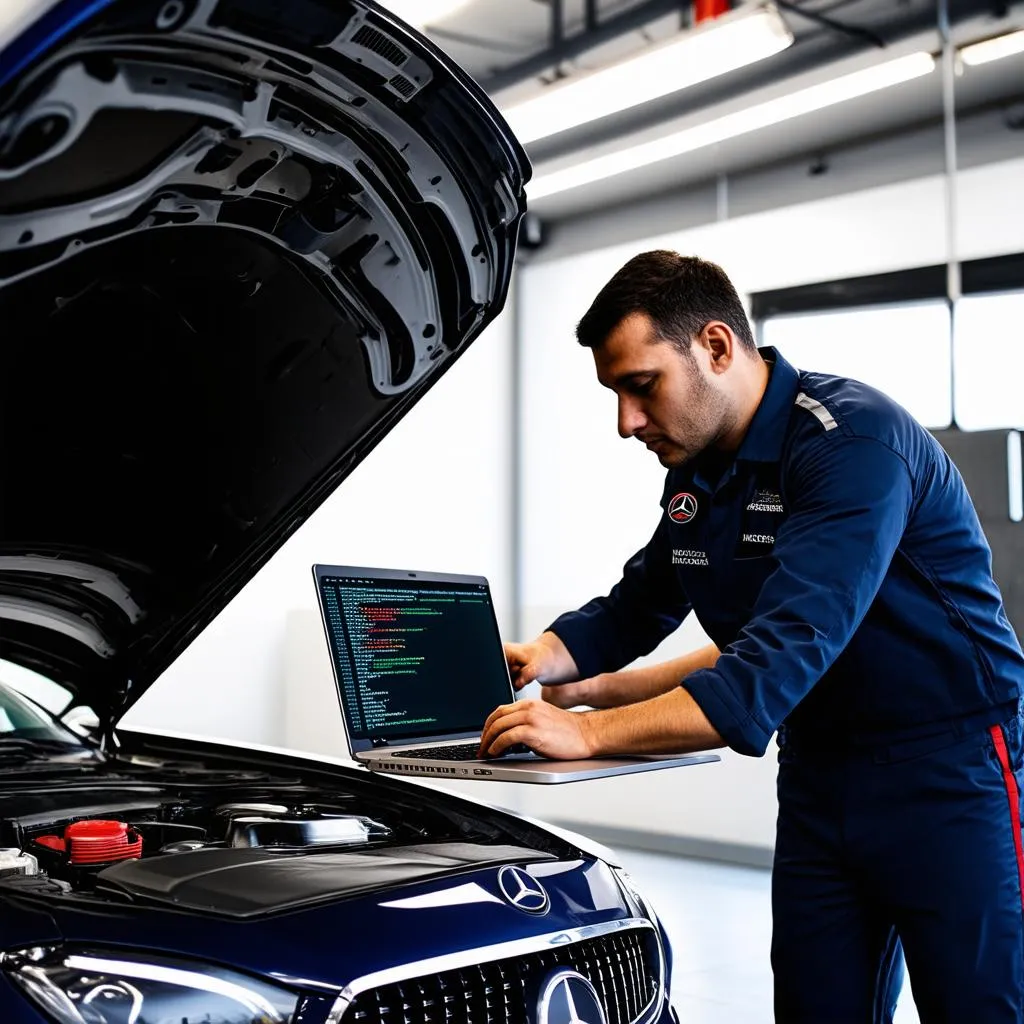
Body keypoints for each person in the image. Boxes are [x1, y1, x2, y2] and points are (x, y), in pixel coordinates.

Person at [478, 251, 1024, 1022]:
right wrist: (546, 656)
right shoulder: (699, 472)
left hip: (948, 768)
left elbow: (765, 668)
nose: (626, 423)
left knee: (978, 1009)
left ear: (717, 347)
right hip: (819, 775)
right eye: (615, 394)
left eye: (642, 387)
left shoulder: (851, 446)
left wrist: (590, 731)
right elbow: (640, 605)